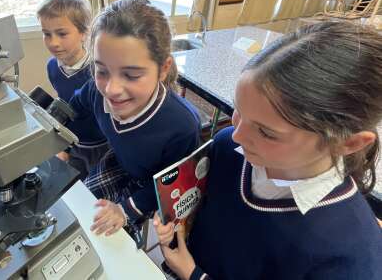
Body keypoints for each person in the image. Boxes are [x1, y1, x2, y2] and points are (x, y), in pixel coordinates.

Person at [154, 22, 382, 280]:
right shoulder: (229, 148)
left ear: (348, 143)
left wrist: (192, 274)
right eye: (237, 110)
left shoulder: (349, 258)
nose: (237, 134)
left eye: (266, 132)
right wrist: (176, 223)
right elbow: (206, 211)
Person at [67, 0, 201, 237]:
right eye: (102, 71)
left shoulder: (182, 126)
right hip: (120, 161)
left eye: (131, 75)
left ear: (163, 69)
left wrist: (125, 210)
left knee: (114, 239)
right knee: (78, 211)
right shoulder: (94, 91)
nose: (111, 90)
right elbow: (73, 108)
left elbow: (170, 185)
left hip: (151, 184)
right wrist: (61, 143)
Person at [37, 0, 108, 179]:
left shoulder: (99, 72)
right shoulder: (52, 66)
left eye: (62, 34)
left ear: (84, 33)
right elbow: (64, 104)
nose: (54, 43)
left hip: (103, 146)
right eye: (47, 34)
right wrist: (63, 146)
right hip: (75, 144)